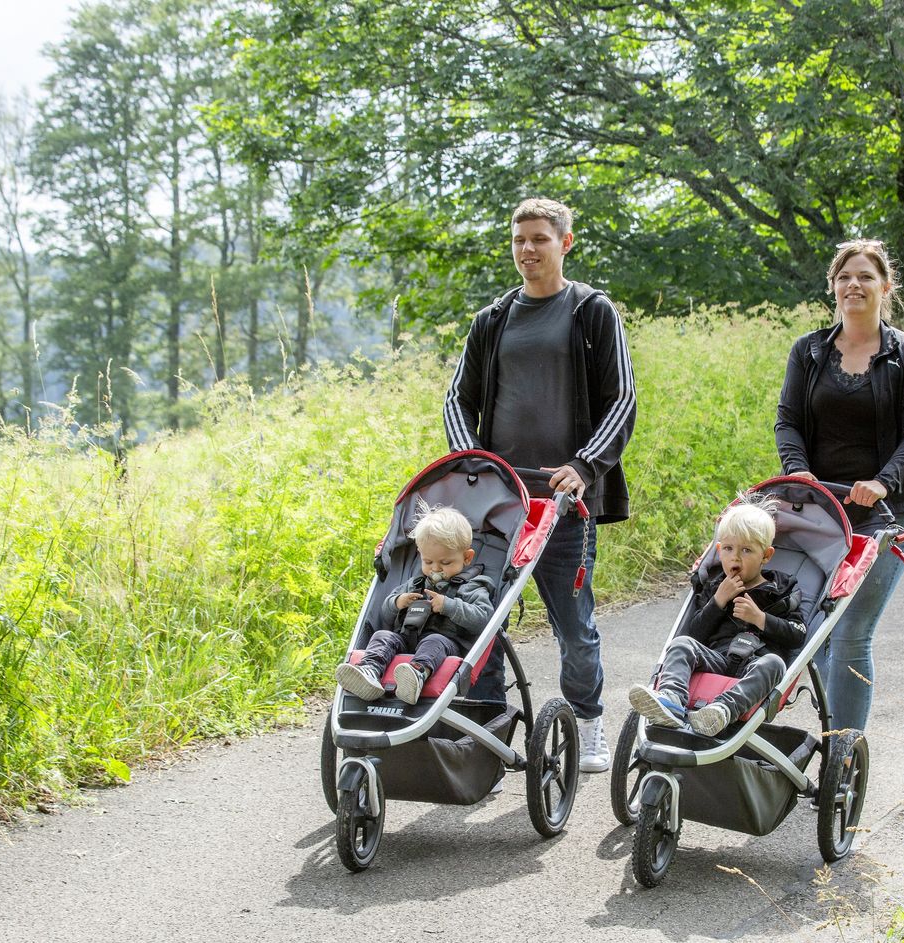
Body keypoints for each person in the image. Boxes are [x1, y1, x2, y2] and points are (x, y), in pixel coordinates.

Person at [443, 197, 637, 771]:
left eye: (539, 239)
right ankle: (488, 725)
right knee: (481, 617)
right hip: (498, 501)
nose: (527, 250)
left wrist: (586, 464)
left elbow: (622, 400)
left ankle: (587, 721)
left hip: (564, 503)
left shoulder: (591, 312)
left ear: (565, 243)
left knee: (573, 624)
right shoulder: (493, 319)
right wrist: (471, 460)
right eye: (519, 239)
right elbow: (458, 398)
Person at [774, 238, 904, 733]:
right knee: (814, 630)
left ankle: (842, 755)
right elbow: (788, 420)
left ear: (885, 287)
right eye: (845, 277)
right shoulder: (809, 351)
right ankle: (827, 739)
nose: (854, 285)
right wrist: (797, 471)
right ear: (833, 287)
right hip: (820, 512)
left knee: (849, 634)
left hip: (886, 517)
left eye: (865, 276)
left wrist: (883, 482)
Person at [626, 501, 813, 735]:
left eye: (746, 550)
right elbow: (693, 633)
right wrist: (718, 602)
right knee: (681, 644)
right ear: (719, 550)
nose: (735, 558)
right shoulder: (715, 586)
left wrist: (760, 618)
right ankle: (671, 699)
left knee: (774, 664)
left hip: (756, 662)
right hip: (717, 658)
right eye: (728, 549)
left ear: (766, 555)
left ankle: (722, 710)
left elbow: (798, 634)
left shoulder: (782, 588)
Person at [336, 505, 496, 706]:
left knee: (434, 640)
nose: (435, 568)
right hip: (406, 640)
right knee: (382, 636)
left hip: (444, 646)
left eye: (445, 563)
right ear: (420, 554)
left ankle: (417, 675)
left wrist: (448, 605)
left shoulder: (472, 586)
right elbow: (385, 613)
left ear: (467, 557)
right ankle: (369, 671)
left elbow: (483, 618)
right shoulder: (416, 583)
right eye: (428, 561)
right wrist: (397, 602)